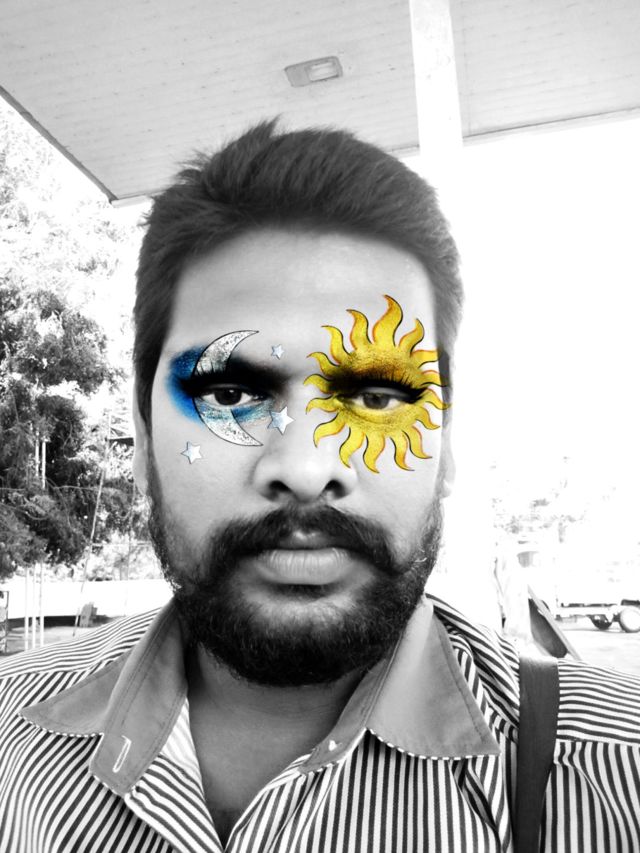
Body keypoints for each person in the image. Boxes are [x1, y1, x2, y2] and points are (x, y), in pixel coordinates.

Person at [1, 121, 639, 853]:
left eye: (376, 396)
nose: (306, 467)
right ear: (143, 442)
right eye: (233, 394)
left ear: (447, 443)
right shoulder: (10, 739)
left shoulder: (616, 777)